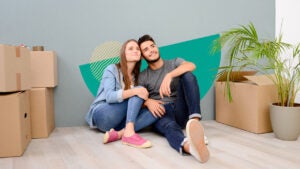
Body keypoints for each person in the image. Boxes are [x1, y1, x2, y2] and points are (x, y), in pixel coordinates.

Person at [137, 34, 210, 162]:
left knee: (188, 75)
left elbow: (191, 65)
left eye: (152, 46)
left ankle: (196, 127)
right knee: (170, 127)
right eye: (146, 49)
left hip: (180, 109)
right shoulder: (143, 76)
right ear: (143, 56)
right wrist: (147, 102)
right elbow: (136, 99)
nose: (151, 50)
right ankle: (190, 148)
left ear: (157, 47)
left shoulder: (173, 62)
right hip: (161, 112)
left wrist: (169, 75)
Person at [85, 39, 157, 148]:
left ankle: (121, 134)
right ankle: (128, 133)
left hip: (118, 123)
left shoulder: (138, 77)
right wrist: (134, 91)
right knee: (138, 91)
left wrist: (147, 102)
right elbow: (109, 97)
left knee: (156, 111)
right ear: (124, 53)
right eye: (131, 48)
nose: (136, 51)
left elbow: (135, 104)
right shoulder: (111, 69)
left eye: (138, 49)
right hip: (103, 115)